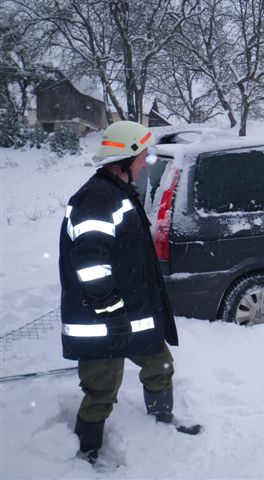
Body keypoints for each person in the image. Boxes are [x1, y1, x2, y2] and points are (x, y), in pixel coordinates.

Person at [58, 121, 200, 464]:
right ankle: (87, 454)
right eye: (145, 156)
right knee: (101, 391)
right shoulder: (96, 199)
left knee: (160, 364)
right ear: (126, 157)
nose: (148, 161)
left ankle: (162, 421)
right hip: (104, 320)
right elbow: (90, 264)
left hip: (133, 314)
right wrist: (111, 311)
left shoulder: (119, 190)